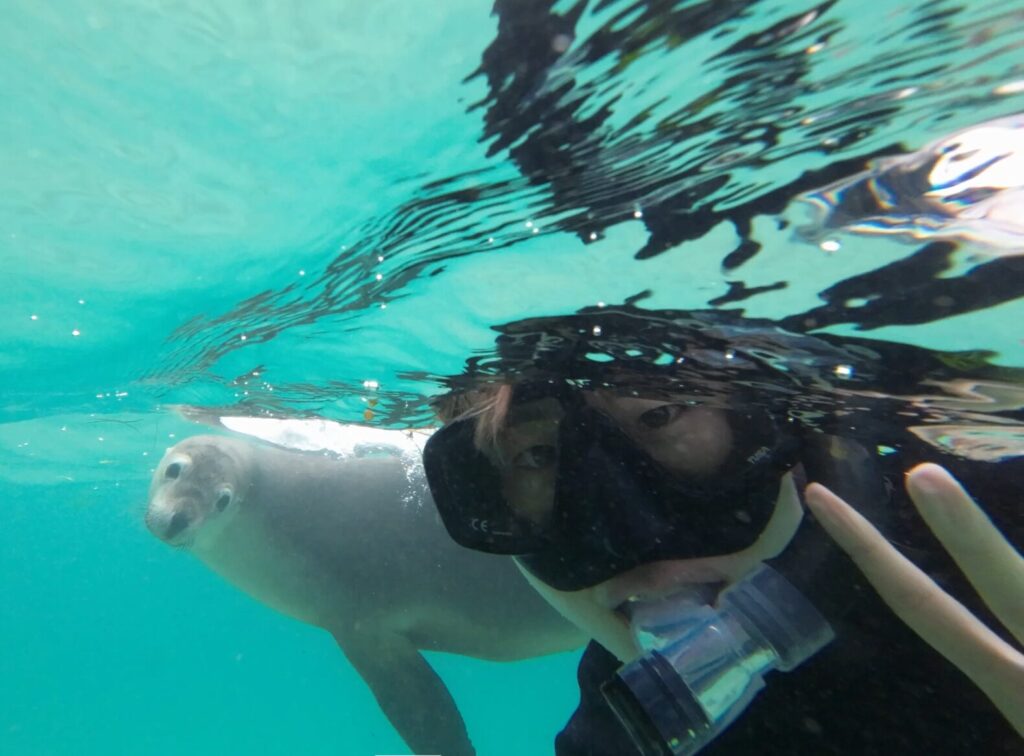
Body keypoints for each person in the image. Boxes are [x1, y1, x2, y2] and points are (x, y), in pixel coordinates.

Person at [422, 306, 1023, 754]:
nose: (632, 537)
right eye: (535, 457)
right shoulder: (620, 735)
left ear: (787, 431)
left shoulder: (1003, 503)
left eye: (661, 416)